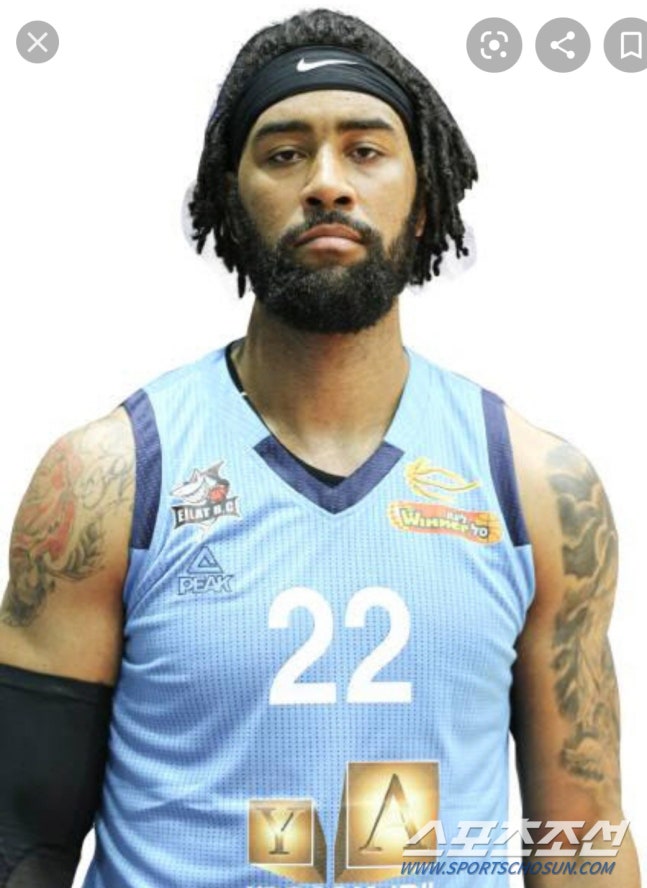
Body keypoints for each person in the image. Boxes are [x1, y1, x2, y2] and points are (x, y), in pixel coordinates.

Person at [0, 8, 640, 888]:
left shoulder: (537, 486)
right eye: (284, 153)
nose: (327, 184)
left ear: (424, 202)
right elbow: (20, 838)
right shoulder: (109, 479)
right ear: (232, 203)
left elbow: (583, 839)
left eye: (365, 150)